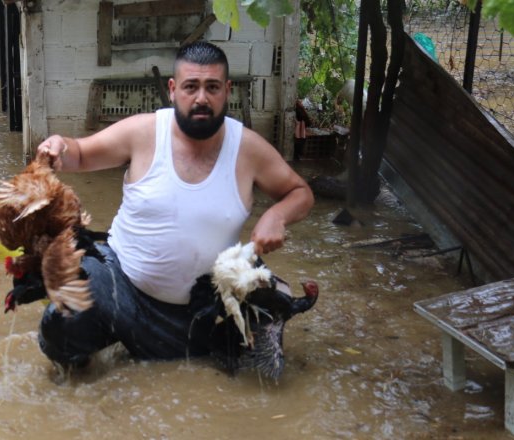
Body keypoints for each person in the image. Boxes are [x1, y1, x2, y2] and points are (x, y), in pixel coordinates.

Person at [34, 41, 314, 372]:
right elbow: (80, 152)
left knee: (261, 344)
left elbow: (301, 192)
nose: (201, 98)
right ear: (172, 89)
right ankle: (83, 373)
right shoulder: (144, 132)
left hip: (201, 306)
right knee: (62, 322)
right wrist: (58, 145)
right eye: (190, 87)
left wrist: (276, 215)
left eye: (212, 88)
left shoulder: (249, 149)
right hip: (121, 285)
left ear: (227, 90)